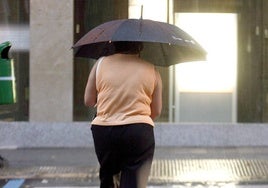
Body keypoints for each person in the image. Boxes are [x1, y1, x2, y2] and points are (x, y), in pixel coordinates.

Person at [84, 41, 162, 188]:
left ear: (114, 45)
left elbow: (88, 100)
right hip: (139, 131)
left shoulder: (100, 64)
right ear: (139, 47)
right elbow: (156, 110)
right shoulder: (151, 68)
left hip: (105, 131)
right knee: (135, 181)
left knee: (109, 178)